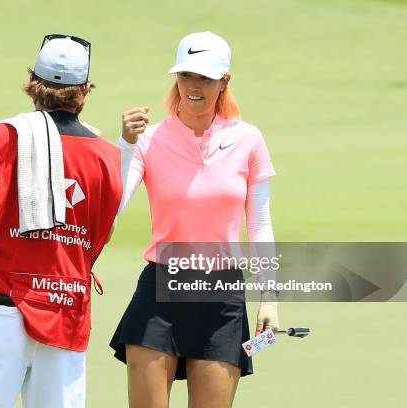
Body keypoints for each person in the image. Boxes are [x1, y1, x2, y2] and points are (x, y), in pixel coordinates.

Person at [0, 34, 122, 408]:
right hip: (66, 308)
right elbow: (99, 236)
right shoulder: (107, 155)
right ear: (85, 90)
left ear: (32, 83)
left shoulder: (0, 137)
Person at [110, 31, 279, 408]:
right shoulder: (149, 139)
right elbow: (114, 208)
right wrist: (125, 145)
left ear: (225, 81)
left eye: (204, 77)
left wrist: (269, 297)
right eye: (185, 75)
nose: (193, 86)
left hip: (221, 296)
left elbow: (260, 225)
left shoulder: (248, 139)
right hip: (160, 289)